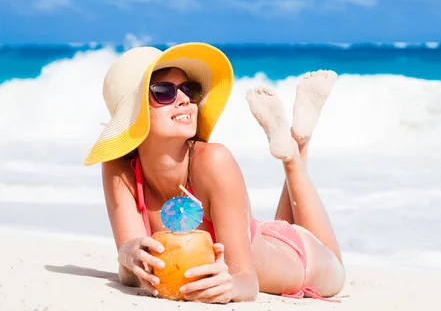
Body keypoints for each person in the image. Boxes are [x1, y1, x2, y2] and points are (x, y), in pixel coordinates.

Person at [84, 42, 345, 303]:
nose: (184, 99)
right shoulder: (119, 168)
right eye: (164, 92)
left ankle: (295, 155)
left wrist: (231, 287)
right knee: (263, 241)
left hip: (300, 258)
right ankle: (294, 146)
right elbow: (133, 267)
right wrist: (128, 251)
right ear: (133, 114)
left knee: (338, 274)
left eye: (189, 89)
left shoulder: (213, 161)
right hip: (255, 239)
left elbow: (247, 281)